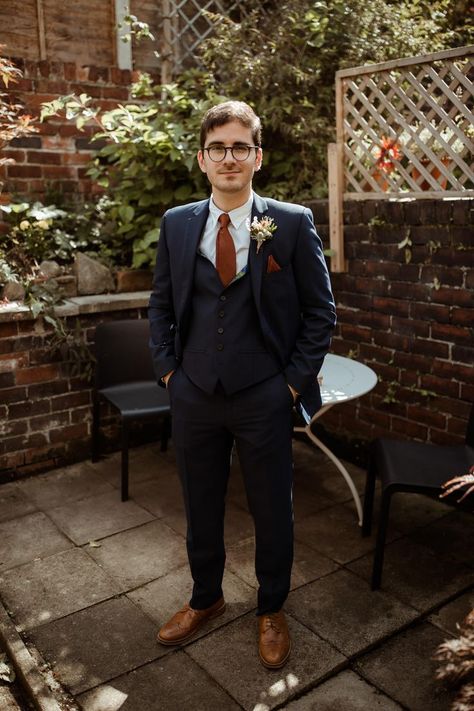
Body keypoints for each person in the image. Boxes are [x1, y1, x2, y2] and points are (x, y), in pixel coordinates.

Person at [148, 100, 336, 669]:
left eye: (239, 147)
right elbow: (161, 304)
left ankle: (271, 608)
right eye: (217, 148)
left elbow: (320, 313)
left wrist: (292, 386)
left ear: (258, 157)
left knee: (273, 507)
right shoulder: (177, 223)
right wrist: (168, 373)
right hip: (194, 392)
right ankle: (205, 597)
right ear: (202, 160)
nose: (228, 157)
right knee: (199, 502)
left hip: (265, 394)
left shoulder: (292, 222)